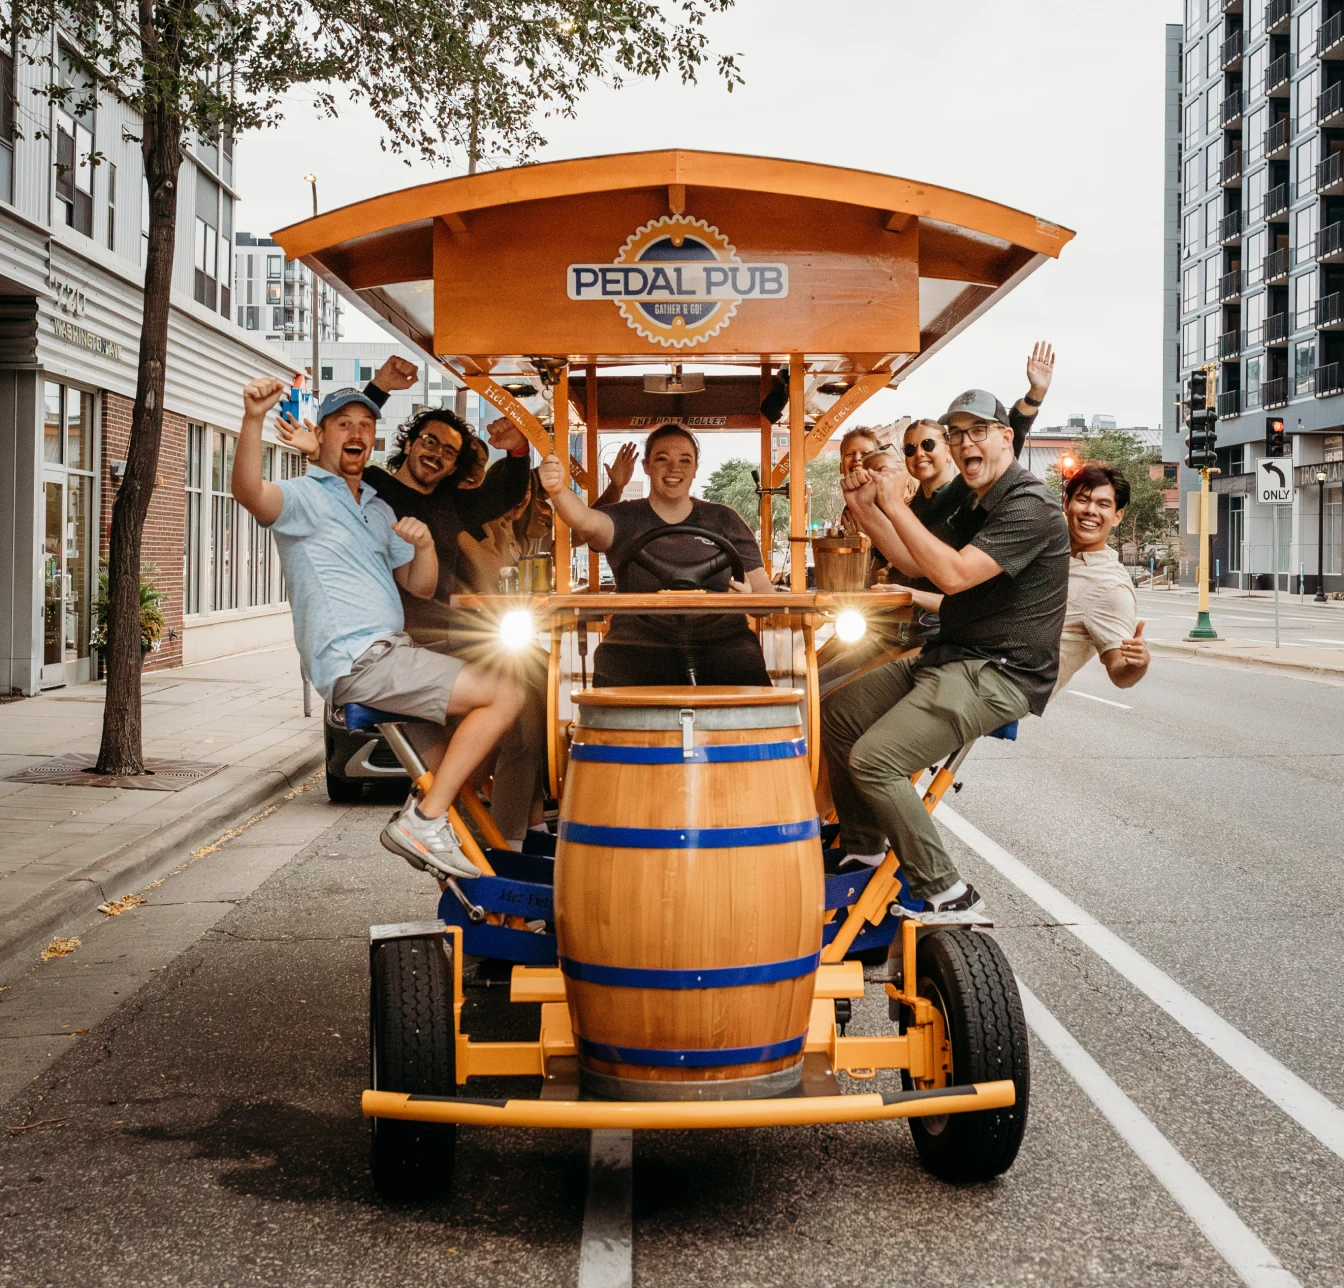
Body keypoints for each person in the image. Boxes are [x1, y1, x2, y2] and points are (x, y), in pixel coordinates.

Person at [232, 376, 524, 880]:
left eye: (366, 425)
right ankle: (423, 823)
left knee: (455, 779)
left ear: (374, 441)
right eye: (343, 423)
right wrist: (253, 418)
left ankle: (478, 894)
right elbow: (250, 493)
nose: (357, 431)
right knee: (507, 693)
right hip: (361, 659)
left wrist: (426, 545)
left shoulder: (375, 505)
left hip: (393, 652)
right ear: (320, 436)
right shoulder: (304, 497)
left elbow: (418, 582)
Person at [822, 388, 1070, 920]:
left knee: (876, 760)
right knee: (835, 712)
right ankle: (864, 845)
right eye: (957, 434)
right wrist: (866, 510)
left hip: (1001, 671)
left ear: (1008, 438)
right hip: (953, 653)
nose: (964, 444)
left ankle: (946, 892)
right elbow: (912, 562)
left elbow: (952, 576)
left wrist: (890, 502)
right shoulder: (973, 499)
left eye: (977, 431)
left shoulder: (1029, 503)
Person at [538, 423, 775, 686]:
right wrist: (558, 490)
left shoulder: (725, 519)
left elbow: (766, 597)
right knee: (612, 662)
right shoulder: (624, 517)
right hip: (637, 642)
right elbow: (584, 522)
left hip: (722, 640)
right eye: (662, 459)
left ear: (695, 469)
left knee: (745, 664)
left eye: (685, 460)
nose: (674, 468)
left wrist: (746, 599)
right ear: (646, 466)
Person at [1054, 462, 1150, 694]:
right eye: (1083, 500)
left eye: (1103, 504)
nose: (1091, 511)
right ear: (1067, 504)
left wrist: (1138, 664)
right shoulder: (1046, 545)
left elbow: (1119, 673)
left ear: (1117, 516)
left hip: (1006, 687)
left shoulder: (1111, 586)